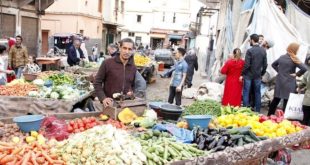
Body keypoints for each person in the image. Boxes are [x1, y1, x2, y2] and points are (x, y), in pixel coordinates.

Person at [94, 38, 137, 107]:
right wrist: (103, 98)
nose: (127, 51)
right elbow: (97, 82)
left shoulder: (133, 67)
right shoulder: (107, 63)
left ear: (132, 51)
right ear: (120, 48)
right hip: (109, 105)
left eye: (129, 49)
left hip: (125, 105)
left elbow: (132, 85)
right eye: (124, 48)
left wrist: (131, 92)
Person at [268, 43, 307, 116]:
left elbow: (273, 64)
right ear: (295, 50)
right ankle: (284, 118)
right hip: (289, 82)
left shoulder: (282, 57)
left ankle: (269, 116)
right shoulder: (294, 59)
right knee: (287, 102)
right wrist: (297, 74)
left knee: (275, 100)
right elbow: (305, 68)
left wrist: (279, 72)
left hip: (280, 82)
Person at [241, 34, 267, 112]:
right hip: (258, 75)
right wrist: (262, 73)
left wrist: (242, 73)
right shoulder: (263, 50)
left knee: (246, 92)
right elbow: (265, 65)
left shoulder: (250, 51)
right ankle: (257, 110)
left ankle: (245, 110)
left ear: (252, 40)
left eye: (250, 40)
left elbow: (247, 65)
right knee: (257, 93)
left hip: (248, 75)